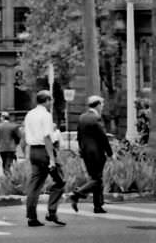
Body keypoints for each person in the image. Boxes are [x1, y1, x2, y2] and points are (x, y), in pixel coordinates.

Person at [23, 90, 66, 227]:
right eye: (51, 100)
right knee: (59, 181)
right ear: (47, 100)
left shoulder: (30, 114)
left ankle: (31, 217)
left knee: (34, 185)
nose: (51, 103)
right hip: (44, 151)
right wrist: (52, 159)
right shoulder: (46, 115)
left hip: (33, 150)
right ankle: (52, 212)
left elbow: (25, 133)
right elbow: (47, 137)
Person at [70, 95, 114, 214]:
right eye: (102, 105)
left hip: (86, 153)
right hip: (97, 154)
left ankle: (98, 206)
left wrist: (81, 150)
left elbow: (79, 137)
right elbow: (103, 137)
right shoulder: (96, 118)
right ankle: (77, 194)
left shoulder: (82, 117)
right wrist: (110, 153)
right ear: (98, 105)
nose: (103, 107)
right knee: (97, 179)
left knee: (95, 178)